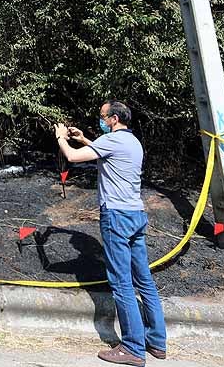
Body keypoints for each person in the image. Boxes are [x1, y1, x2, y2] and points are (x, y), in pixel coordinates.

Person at [56, 102, 168, 366]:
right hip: (136, 216)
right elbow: (105, 152)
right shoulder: (132, 142)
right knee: (144, 280)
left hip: (116, 217)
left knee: (121, 283)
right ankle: (157, 343)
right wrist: (84, 138)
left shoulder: (113, 141)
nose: (101, 120)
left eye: (103, 117)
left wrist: (62, 138)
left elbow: (72, 157)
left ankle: (132, 348)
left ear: (114, 119)